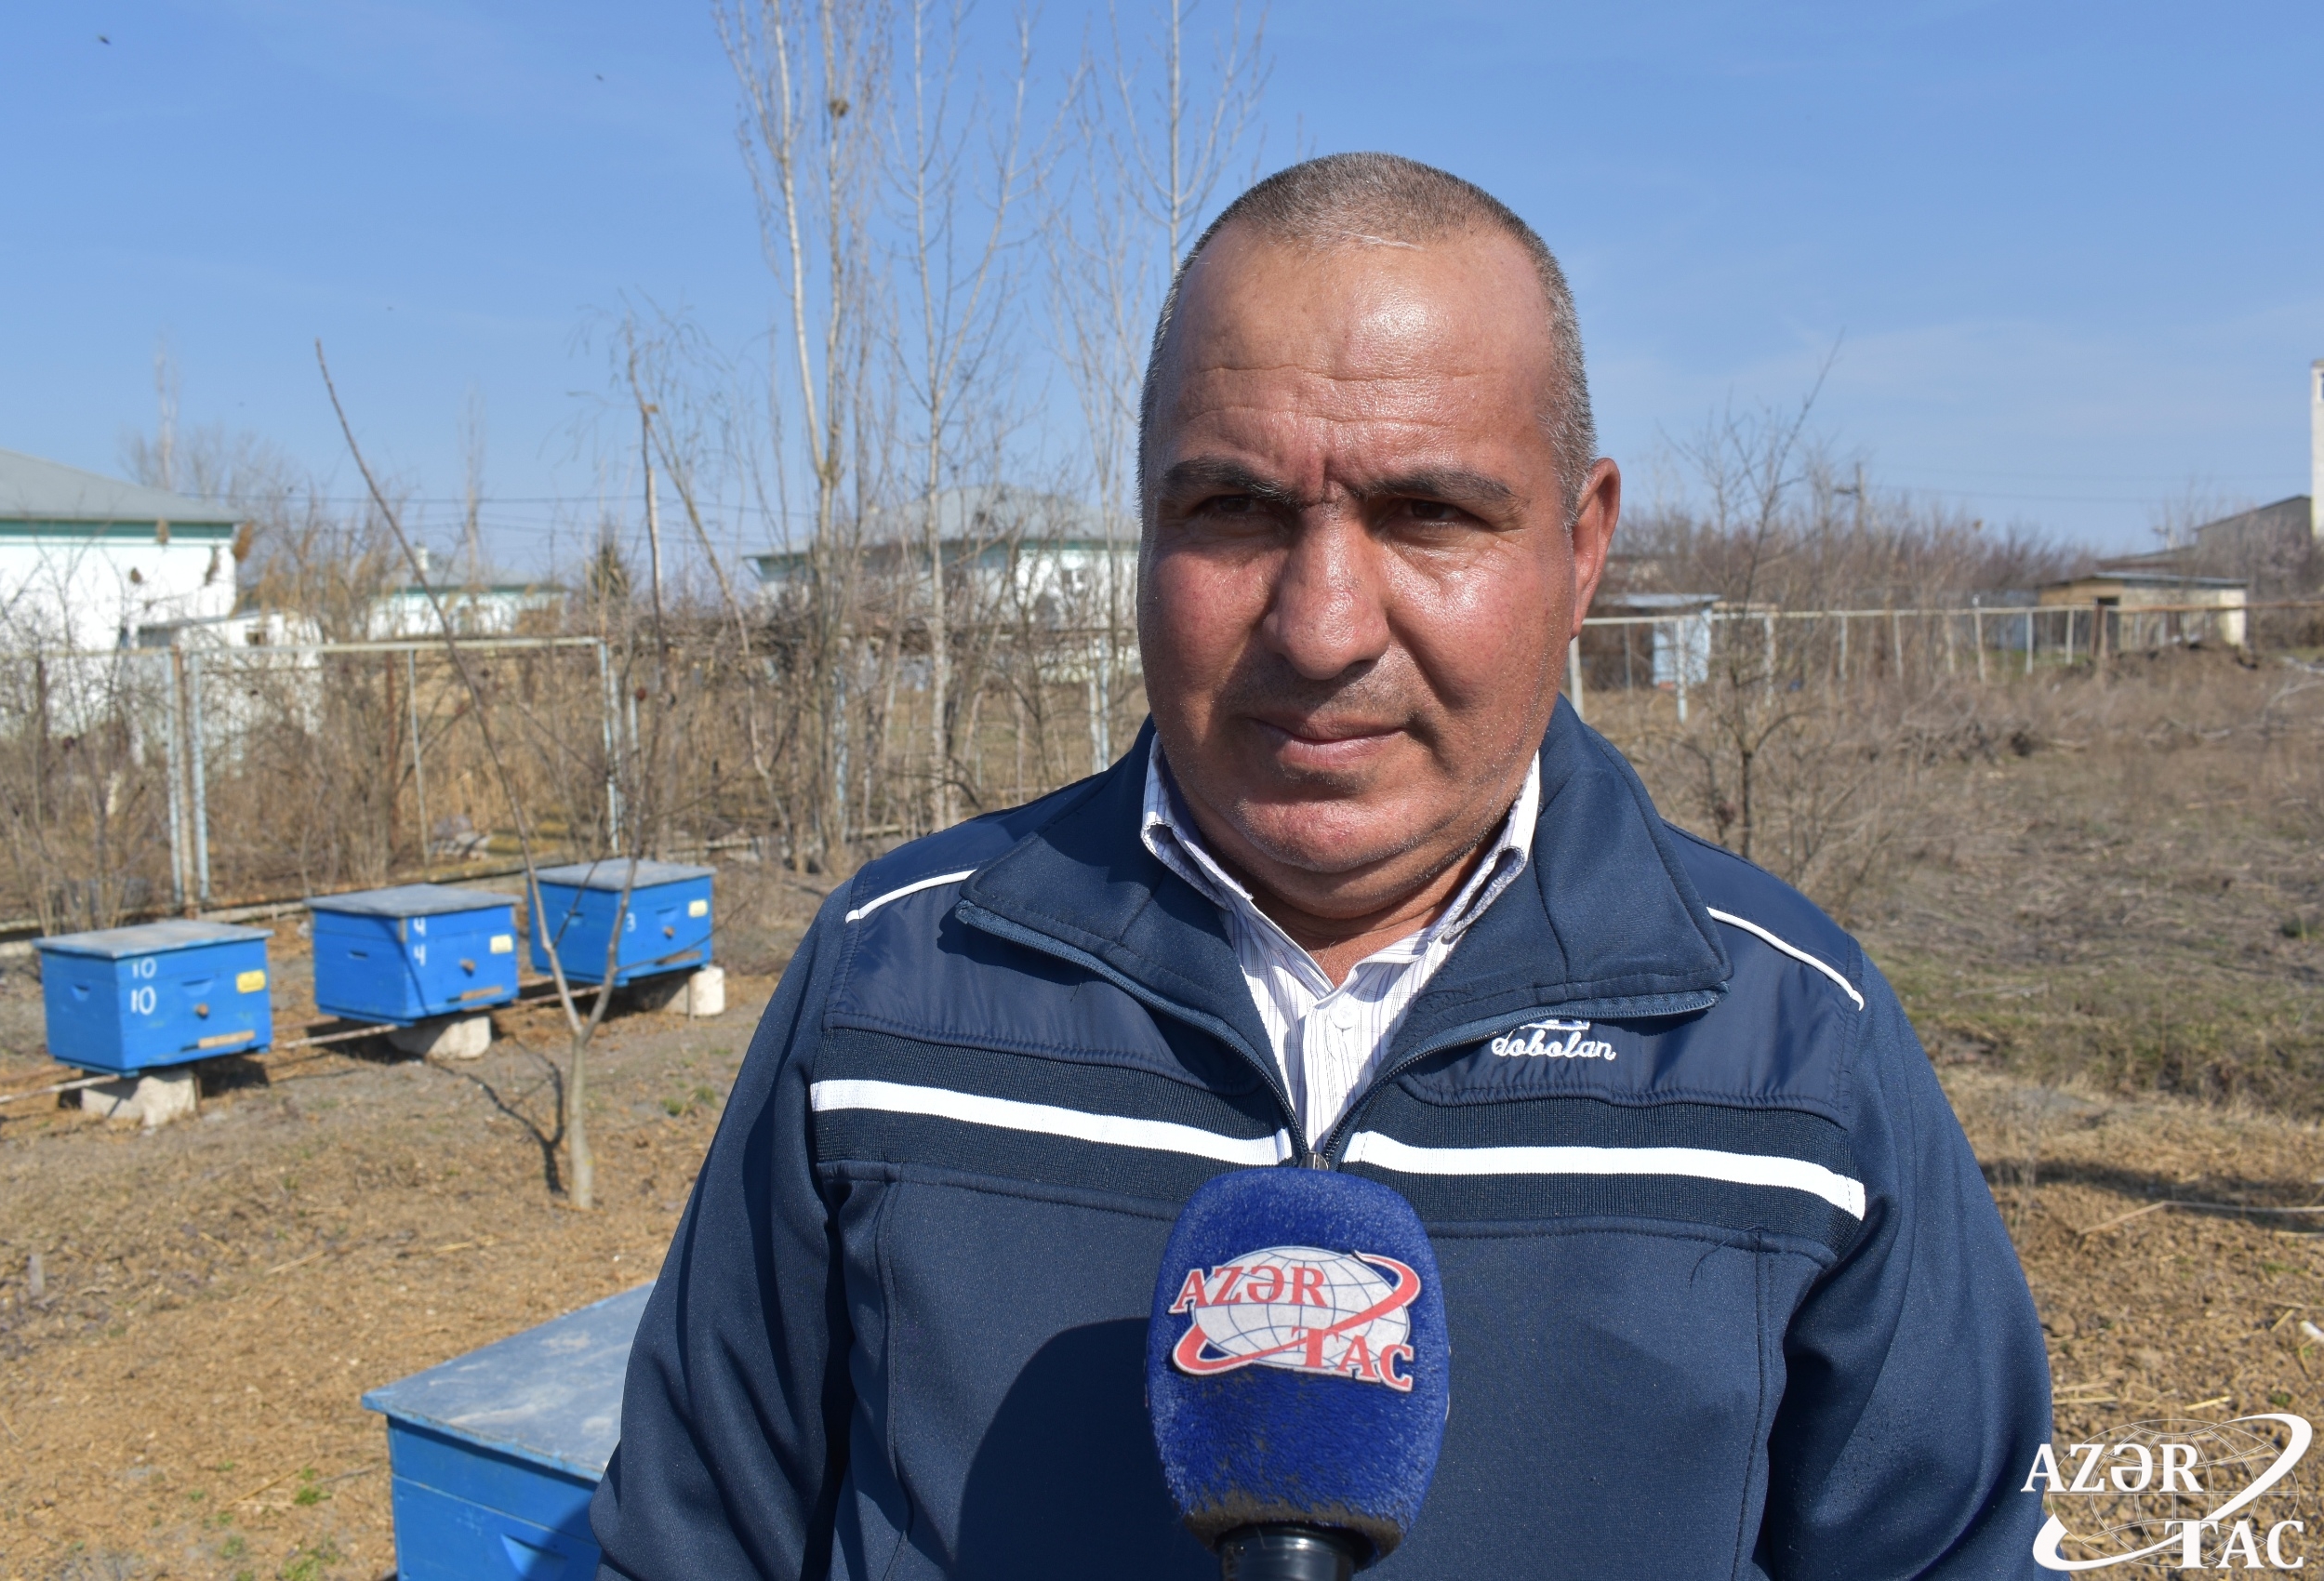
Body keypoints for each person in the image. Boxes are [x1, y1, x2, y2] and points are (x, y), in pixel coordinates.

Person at [591, 153, 2051, 1579]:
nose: (1323, 626)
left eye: (1430, 515)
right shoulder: (895, 982)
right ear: (1148, 526)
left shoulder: (1793, 1047)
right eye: (1235, 510)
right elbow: (690, 1542)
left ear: (1583, 548)